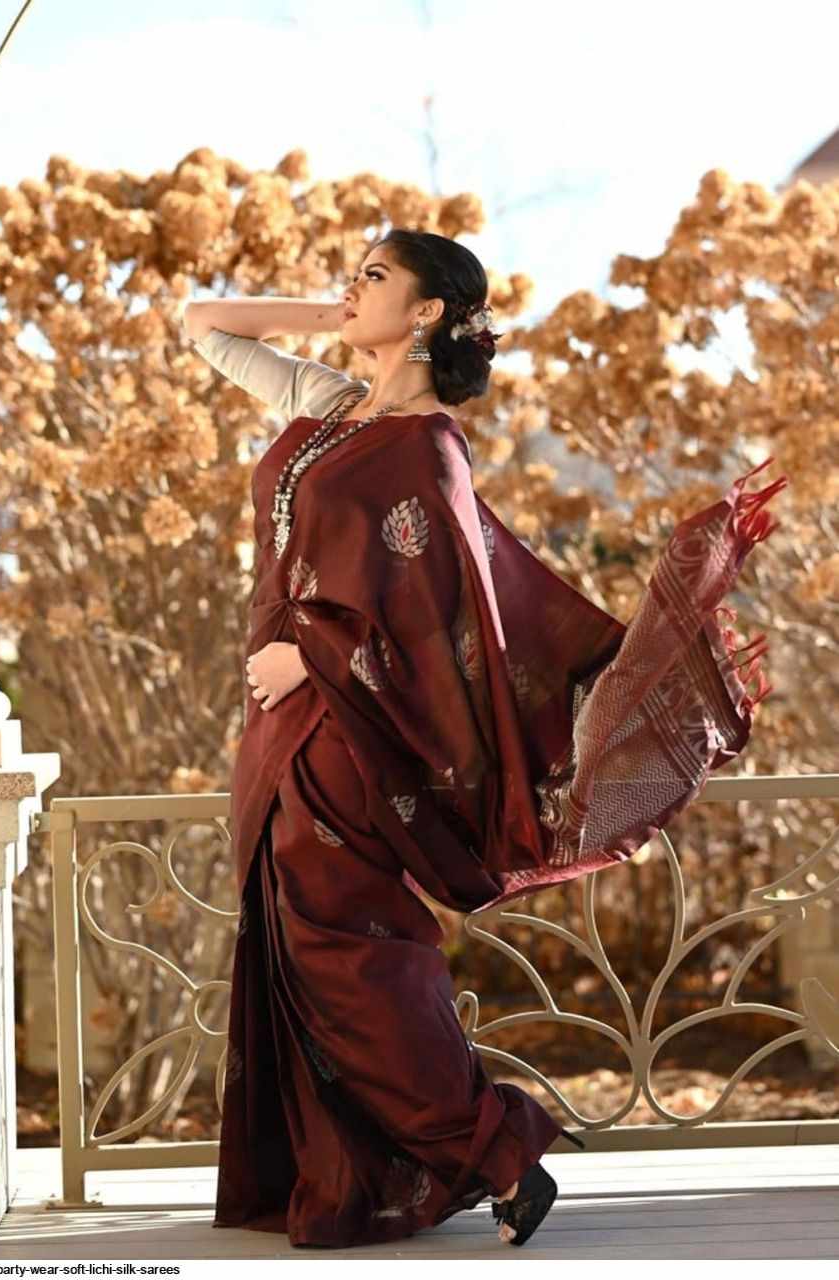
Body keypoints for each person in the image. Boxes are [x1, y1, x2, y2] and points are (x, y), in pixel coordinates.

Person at [184, 229, 787, 1248]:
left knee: (345, 956)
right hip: (279, 726)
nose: (352, 286)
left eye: (375, 275)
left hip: (344, 731)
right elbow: (202, 323)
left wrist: (314, 657)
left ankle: (496, 1148)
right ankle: (376, 1164)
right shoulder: (330, 405)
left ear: (427, 310)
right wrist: (341, 314)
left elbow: (439, 616)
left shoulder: (428, 447)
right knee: (312, 944)